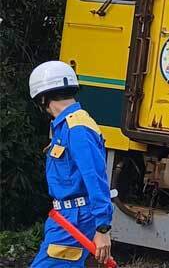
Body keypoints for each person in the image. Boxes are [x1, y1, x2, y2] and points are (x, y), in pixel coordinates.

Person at [28, 61, 113, 267]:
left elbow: (95, 178)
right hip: (65, 218)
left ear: (43, 98)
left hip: (75, 219)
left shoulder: (78, 129)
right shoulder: (66, 126)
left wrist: (103, 229)